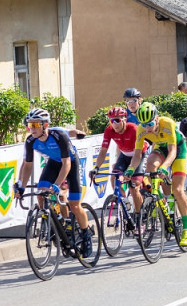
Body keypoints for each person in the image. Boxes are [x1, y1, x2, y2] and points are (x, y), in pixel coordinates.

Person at [14, 108, 93, 257]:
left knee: (74, 204)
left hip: (70, 162)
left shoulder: (59, 136)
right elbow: (27, 166)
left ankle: (85, 235)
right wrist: (21, 187)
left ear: (45, 125)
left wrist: (56, 185)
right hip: (53, 163)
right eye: (29, 125)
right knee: (41, 192)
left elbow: (67, 164)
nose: (32, 129)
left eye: (35, 125)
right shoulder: (30, 141)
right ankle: (55, 222)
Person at [127, 102, 187, 246]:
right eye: (144, 125)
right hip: (160, 148)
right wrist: (130, 170)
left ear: (156, 119)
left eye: (150, 124)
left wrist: (164, 167)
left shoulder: (167, 124)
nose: (147, 128)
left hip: (178, 149)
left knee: (177, 189)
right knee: (150, 163)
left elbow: (173, 152)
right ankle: (160, 199)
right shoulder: (141, 129)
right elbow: (137, 155)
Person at [90, 107, 146, 218]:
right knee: (115, 176)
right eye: (111, 121)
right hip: (124, 155)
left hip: (138, 155)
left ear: (124, 119)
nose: (114, 124)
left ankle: (139, 215)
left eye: (117, 120)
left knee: (133, 186)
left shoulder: (134, 129)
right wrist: (96, 167)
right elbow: (103, 151)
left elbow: (138, 154)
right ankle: (125, 202)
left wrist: (131, 169)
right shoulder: (109, 130)